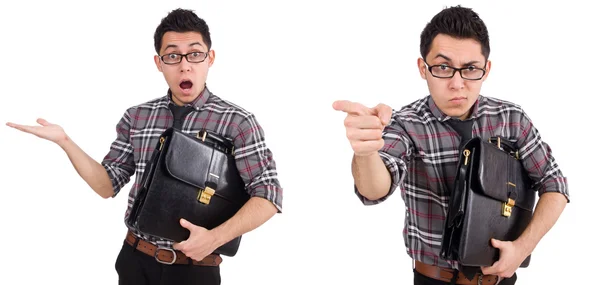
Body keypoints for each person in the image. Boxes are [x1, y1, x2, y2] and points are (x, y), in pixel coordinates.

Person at [6, 8, 283, 285]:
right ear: (159, 62)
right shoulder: (137, 117)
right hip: (134, 260)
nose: (185, 65)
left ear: (210, 58)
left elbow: (268, 194)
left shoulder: (237, 122)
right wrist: (65, 142)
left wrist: (214, 239)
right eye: (173, 56)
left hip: (196, 269)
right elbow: (107, 185)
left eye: (195, 54)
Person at [332, 5, 569, 285]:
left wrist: (522, 248)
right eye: (443, 67)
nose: (457, 84)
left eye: (470, 69)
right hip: (433, 279)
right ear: (423, 68)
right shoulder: (405, 123)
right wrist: (366, 152)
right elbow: (374, 189)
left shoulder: (511, 119)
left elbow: (554, 184)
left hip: (500, 278)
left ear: (486, 69)